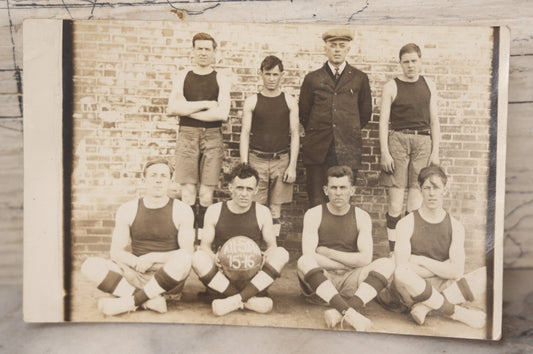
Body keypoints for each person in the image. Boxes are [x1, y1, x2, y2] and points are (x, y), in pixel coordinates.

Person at [80, 159, 195, 316]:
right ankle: (148, 300)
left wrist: (152, 257)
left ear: (170, 181)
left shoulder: (182, 210)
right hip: (136, 273)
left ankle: (130, 301)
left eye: (163, 175)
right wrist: (138, 262)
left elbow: (187, 252)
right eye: (153, 175)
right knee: (89, 265)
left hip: (168, 277)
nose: (158, 180)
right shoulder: (128, 209)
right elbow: (116, 252)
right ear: (144, 180)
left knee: (184, 258)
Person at [297, 166, 394, 331]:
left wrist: (329, 252)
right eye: (334, 188)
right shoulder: (314, 214)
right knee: (303, 261)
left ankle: (342, 310)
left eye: (343, 188)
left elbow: (365, 259)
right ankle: (351, 311)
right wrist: (348, 263)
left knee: (387, 263)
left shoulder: (362, 216)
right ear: (326, 190)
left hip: (351, 281)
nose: (338, 192)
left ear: (352, 190)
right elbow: (309, 255)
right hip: (322, 282)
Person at [390, 165, 486, 328]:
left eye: (436, 188)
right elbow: (403, 267)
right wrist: (444, 267)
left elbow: (456, 271)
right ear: (420, 189)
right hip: (413, 289)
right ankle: (456, 312)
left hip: (444, 287)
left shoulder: (456, 226)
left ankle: (425, 307)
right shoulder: (406, 223)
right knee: (401, 273)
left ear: (445, 190)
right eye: (427, 188)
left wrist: (421, 260)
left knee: (487, 274)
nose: (432, 194)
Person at [191, 164, 289, 316]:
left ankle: (232, 301)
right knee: (197, 257)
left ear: (256, 190)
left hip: (252, 276)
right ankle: (248, 300)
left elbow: (272, 248)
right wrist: (214, 257)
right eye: (239, 188)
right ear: (230, 187)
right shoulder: (214, 210)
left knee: (282, 253)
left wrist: (262, 258)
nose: (244, 193)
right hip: (222, 276)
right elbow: (204, 247)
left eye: (249, 189)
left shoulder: (262, 212)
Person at [299, 28, 372, 207]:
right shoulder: (312, 78)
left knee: (342, 202)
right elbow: (304, 113)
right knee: (316, 201)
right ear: (326, 49)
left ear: (348, 49)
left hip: (346, 149)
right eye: (333, 46)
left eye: (342, 46)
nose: (337, 50)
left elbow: (365, 113)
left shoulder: (359, 78)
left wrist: (344, 130)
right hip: (318, 150)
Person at [167, 32, 231, 234]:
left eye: (207, 49)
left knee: (205, 195)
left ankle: (202, 240)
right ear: (193, 51)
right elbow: (172, 109)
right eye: (199, 48)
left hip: (212, 137)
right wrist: (205, 105)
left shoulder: (221, 78)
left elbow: (222, 113)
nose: (203, 53)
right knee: (187, 194)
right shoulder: (182, 76)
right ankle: (187, 240)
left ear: (214, 53)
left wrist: (186, 109)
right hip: (187, 135)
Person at [379, 43, 440, 253]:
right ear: (400, 64)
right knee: (395, 204)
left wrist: (436, 151)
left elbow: (434, 122)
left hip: (423, 142)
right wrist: (385, 152)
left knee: (414, 204)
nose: (410, 66)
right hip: (398, 141)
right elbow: (383, 122)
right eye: (406, 62)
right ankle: (392, 252)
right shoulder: (392, 86)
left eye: (414, 61)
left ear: (420, 61)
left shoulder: (429, 85)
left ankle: (407, 252)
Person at [240, 55, 299, 237]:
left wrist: (292, 166)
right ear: (261, 74)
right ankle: (254, 246)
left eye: (275, 74)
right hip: (256, 159)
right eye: (268, 74)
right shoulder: (252, 101)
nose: (272, 79)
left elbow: (295, 134)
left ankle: (273, 246)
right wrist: (244, 165)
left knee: (275, 209)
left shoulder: (289, 101)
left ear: (282, 75)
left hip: (280, 160)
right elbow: (244, 133)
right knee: (255, 206)